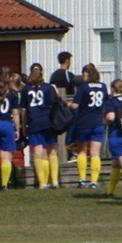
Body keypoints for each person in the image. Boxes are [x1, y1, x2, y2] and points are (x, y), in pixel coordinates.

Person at [69, 62, 107, 188]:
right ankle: (94, 181)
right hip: (98, 122)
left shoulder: (83, 87)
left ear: (86, 73)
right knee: (95, 153)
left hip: (84, 122)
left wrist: (68, 105)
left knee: (82, 152)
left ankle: (82, 179)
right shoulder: (103, 86)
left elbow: (75, 105)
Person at [22, 64, 60, 188]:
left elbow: (23, 110)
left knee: (38, 153)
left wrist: (23, 126)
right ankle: (54, 180)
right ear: (42, 73)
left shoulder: (26, 89)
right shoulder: (48, 88)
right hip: (48, 121)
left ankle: (42, 182)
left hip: (34, 121)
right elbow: (55, 105)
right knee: (52, 151)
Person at [49, 50, 80, 183]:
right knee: (72, 126)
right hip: (67, 105)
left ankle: (66, 152)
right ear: (67, 61)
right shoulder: (68, 75)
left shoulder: (53, 75)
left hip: (57, 107)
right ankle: (71, 151)